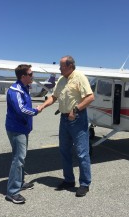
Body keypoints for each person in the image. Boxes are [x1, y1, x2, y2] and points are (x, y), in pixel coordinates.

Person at [38, 55, 94, 197]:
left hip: (77, 118)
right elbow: (54, 97)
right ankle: (69, 180)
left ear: (70, 66)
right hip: (64, 119)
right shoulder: (62, 80)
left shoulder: (79, 77)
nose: (59, 68)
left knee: (82, 152)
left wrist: (75, 110)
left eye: (61, 66)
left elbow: (90, 97)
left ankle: (85, 183)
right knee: (64, 151)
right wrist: (43, 105)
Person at [5, 64, 40, 204]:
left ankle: (19, 183)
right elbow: (21, 110)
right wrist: (36, 111)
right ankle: (12, 192)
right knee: (18, 159)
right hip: (16, 129)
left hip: (23, 128)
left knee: (21, 157)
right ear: (23, 76)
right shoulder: (16, 90)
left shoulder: (25, 88)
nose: (33, 76)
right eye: (31, 74)